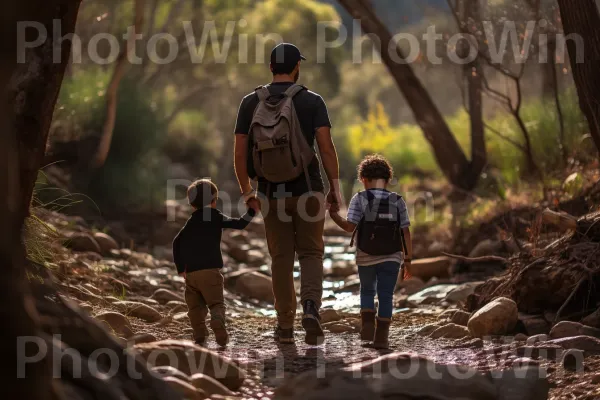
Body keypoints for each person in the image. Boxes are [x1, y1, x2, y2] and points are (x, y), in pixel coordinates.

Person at [233, 43, 341, 345]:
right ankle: (310, 308)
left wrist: (246, 192)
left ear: (270, 67)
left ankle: (284, 325)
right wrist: (335, 188)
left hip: (269, 192)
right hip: (308, 190)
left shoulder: (249, 102)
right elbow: (326, 148)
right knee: (311, 252)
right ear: (297, 67)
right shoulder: (312, 101)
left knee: (280, 257)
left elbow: (240, 152)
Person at [328, 155, 413, 349]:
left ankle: (367, 326)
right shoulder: (398, 201)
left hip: (366, 255)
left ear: (364, 179)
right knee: (386, 295)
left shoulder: (359, 199)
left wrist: (333, 215)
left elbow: (350, 227)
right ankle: (382, 337)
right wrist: (408, 259)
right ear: (388, 179)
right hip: (392, 256)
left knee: (367, 290)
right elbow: (405, 232)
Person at [172, 179, 255, 347]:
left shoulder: (191, 221)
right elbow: (239, 224)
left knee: (195, 308)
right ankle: (217, 323)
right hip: (211, 271)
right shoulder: (215, 216)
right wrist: (252, 211)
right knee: (216, 303)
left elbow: (176, 242)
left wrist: (181, 268)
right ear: (214, 200)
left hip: (192, 274)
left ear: (192, 204)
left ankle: (199, 334)